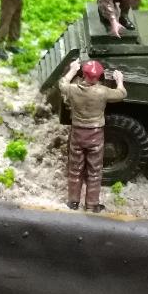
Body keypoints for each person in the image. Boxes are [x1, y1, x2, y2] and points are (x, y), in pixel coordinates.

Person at [58, 58, 127, 211]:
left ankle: (73, 201)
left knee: (75, 168)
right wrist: (119, 80)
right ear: (99, 76)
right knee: (94, 170)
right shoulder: (102, 92)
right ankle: (92, 204)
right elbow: (122, 94)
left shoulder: (73, 89)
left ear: (84, 74)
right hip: (95, 134)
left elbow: (62, 84)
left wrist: (72, 70)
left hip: (77, 132)